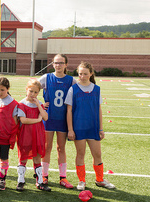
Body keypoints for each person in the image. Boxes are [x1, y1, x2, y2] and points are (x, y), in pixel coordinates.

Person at [65, 61, 115, 191]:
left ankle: (99, 180)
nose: (82, 76)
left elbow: (98, 109)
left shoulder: (96, 89)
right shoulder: (73, 89)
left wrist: (101, 128)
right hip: (78, 128)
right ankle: (81, 181)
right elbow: (69, 110)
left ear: (91, 74)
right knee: (80, 154)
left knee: (97, 154)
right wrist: (70, 129)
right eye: (80, 73)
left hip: (93, 127)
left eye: (85, 74)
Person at [39, 54, 77, 189]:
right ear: (52, 64)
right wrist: (40, 103)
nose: (58, 65)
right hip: (49, 118)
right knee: (47, 147)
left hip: (63, 119)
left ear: (66, 65)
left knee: (61, 148)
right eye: (56, 63)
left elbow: (78, 95)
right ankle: (44, 175)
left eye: (61, 63)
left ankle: (63, 177)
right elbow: (30, 88)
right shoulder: (46, 77)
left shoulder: (71, 81)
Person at [16, 80, 51, 192]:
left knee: (37, 156)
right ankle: (21, 180)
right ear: (26, 90)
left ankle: (39, 181)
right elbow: (23, 120)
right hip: (25, 134)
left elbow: (45, 117)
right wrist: (37, 120)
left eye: (35, 92)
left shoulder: (39, 103)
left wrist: (39, 106)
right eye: (31, 91)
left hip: (38, 134)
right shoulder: (21, 104)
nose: (33, 94)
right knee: (23, 157)